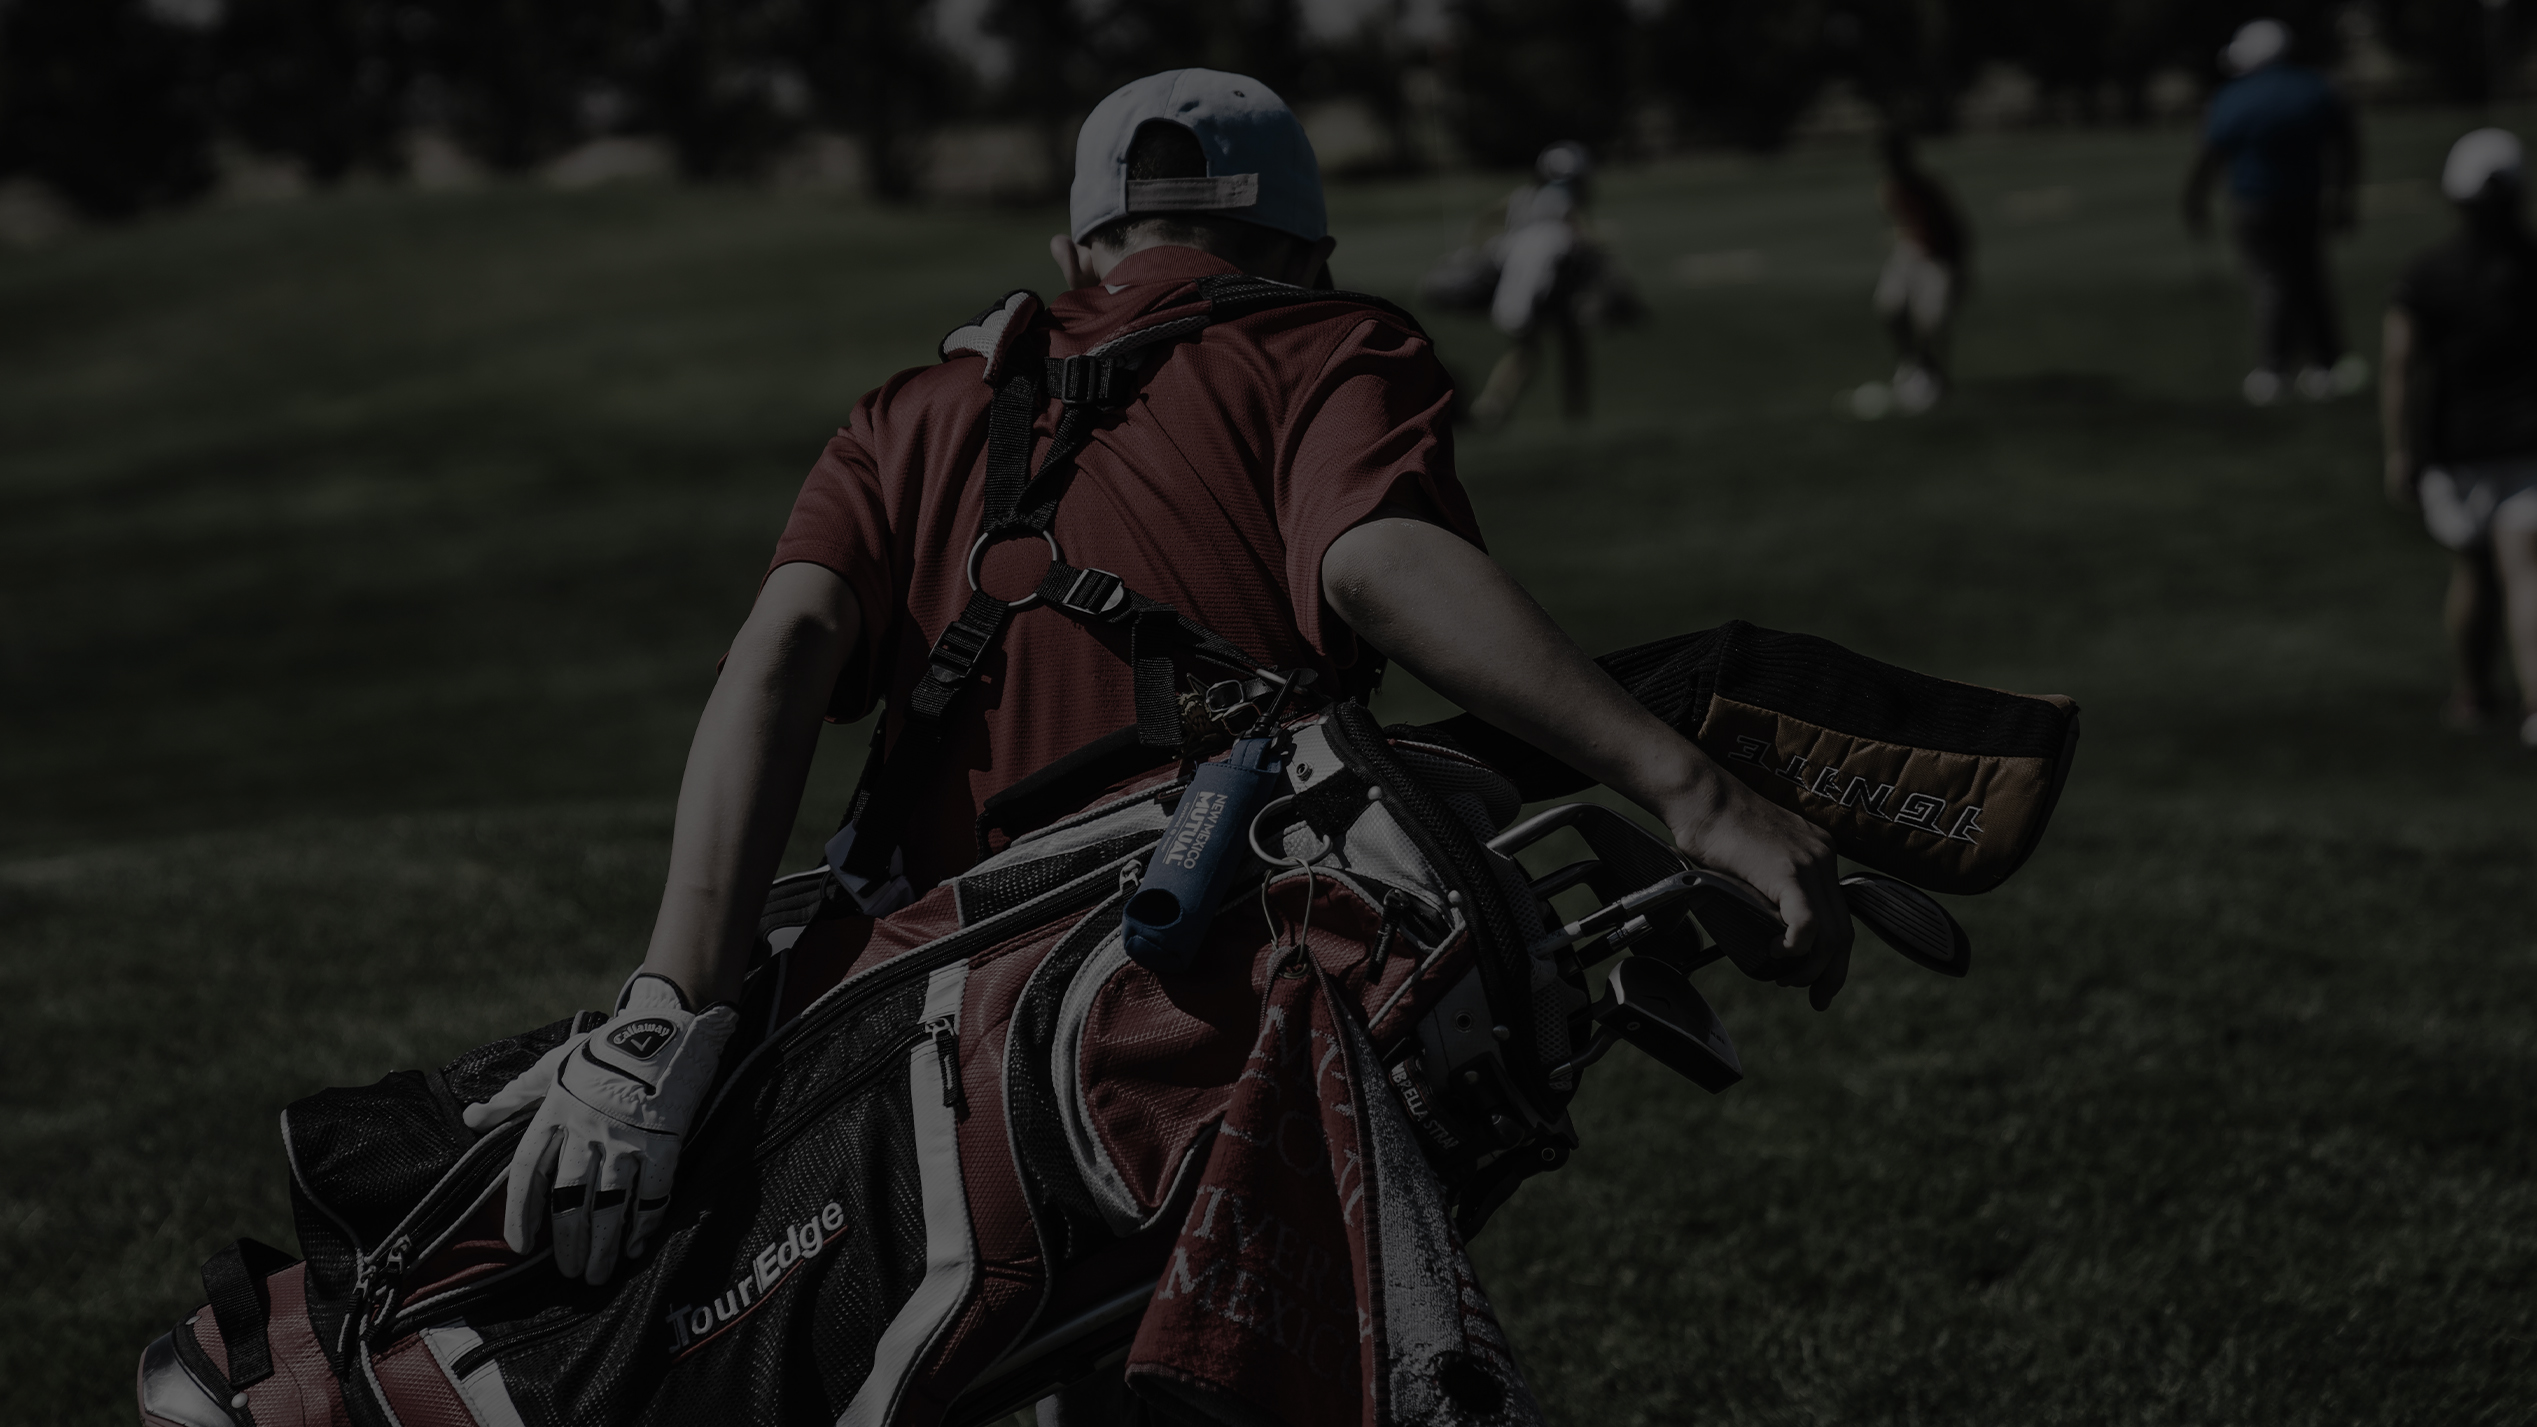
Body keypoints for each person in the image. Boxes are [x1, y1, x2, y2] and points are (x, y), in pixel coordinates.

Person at [474, 69, 1855, 1287]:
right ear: (1305, 249)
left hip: (928, 1029)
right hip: (1215, 990)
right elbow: (1378, 564)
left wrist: (668, 1006)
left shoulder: (910, 409)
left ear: (1075, 246)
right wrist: (1695, 792)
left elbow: (778, 655)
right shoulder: (1324, 346)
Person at [2381, 127, 2537, 749]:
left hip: (2459, 450)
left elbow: (2401, 366)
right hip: (2535, 443)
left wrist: (2399, 448)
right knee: (2528, 568)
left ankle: (2474, 693)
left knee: (2475, 570)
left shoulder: (2428, 274)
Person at [2182, 18, 2365, 406]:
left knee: (2272, 283)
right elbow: (2348, 143)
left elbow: (2208, 154)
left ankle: (2273, 370)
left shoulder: (2233, 95)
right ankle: (2325, 365)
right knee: (2309, 276)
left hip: (2253, 203)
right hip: (2306, 200)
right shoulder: (2318, 87)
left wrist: (2194, 200)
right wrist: (2345, 199)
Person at [1472, 141, 1606, 426]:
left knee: (1526, 352)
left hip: (1516, 288)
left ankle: (1491, 408)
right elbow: (1585, 239)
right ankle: (1575, 415)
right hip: (1543, 290)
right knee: (1558, 347)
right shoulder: (1563, 201)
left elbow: (1485, 222)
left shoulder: (1523, 196)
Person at [1872, 128, 1970, 416]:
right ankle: (1910, 367)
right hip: (1910, 254)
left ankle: (1933, 377)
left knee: (1930, 322)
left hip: (1939, 259)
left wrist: (1960, 271)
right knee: (1889, 309)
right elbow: (1902, 223)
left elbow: (1957, 230)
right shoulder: (1887, 189)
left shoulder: (1930, 188)